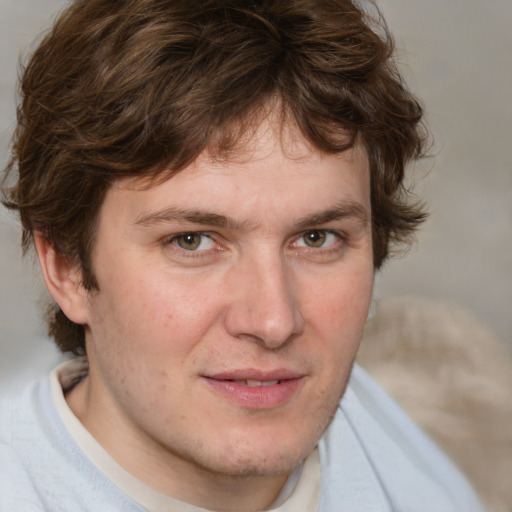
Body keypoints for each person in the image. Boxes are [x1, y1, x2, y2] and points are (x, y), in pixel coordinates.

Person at [0, 0, 485, 510]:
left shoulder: (407, 466)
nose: (274, 322)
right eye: (192, 241)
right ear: (67, 268)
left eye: (317, 238)